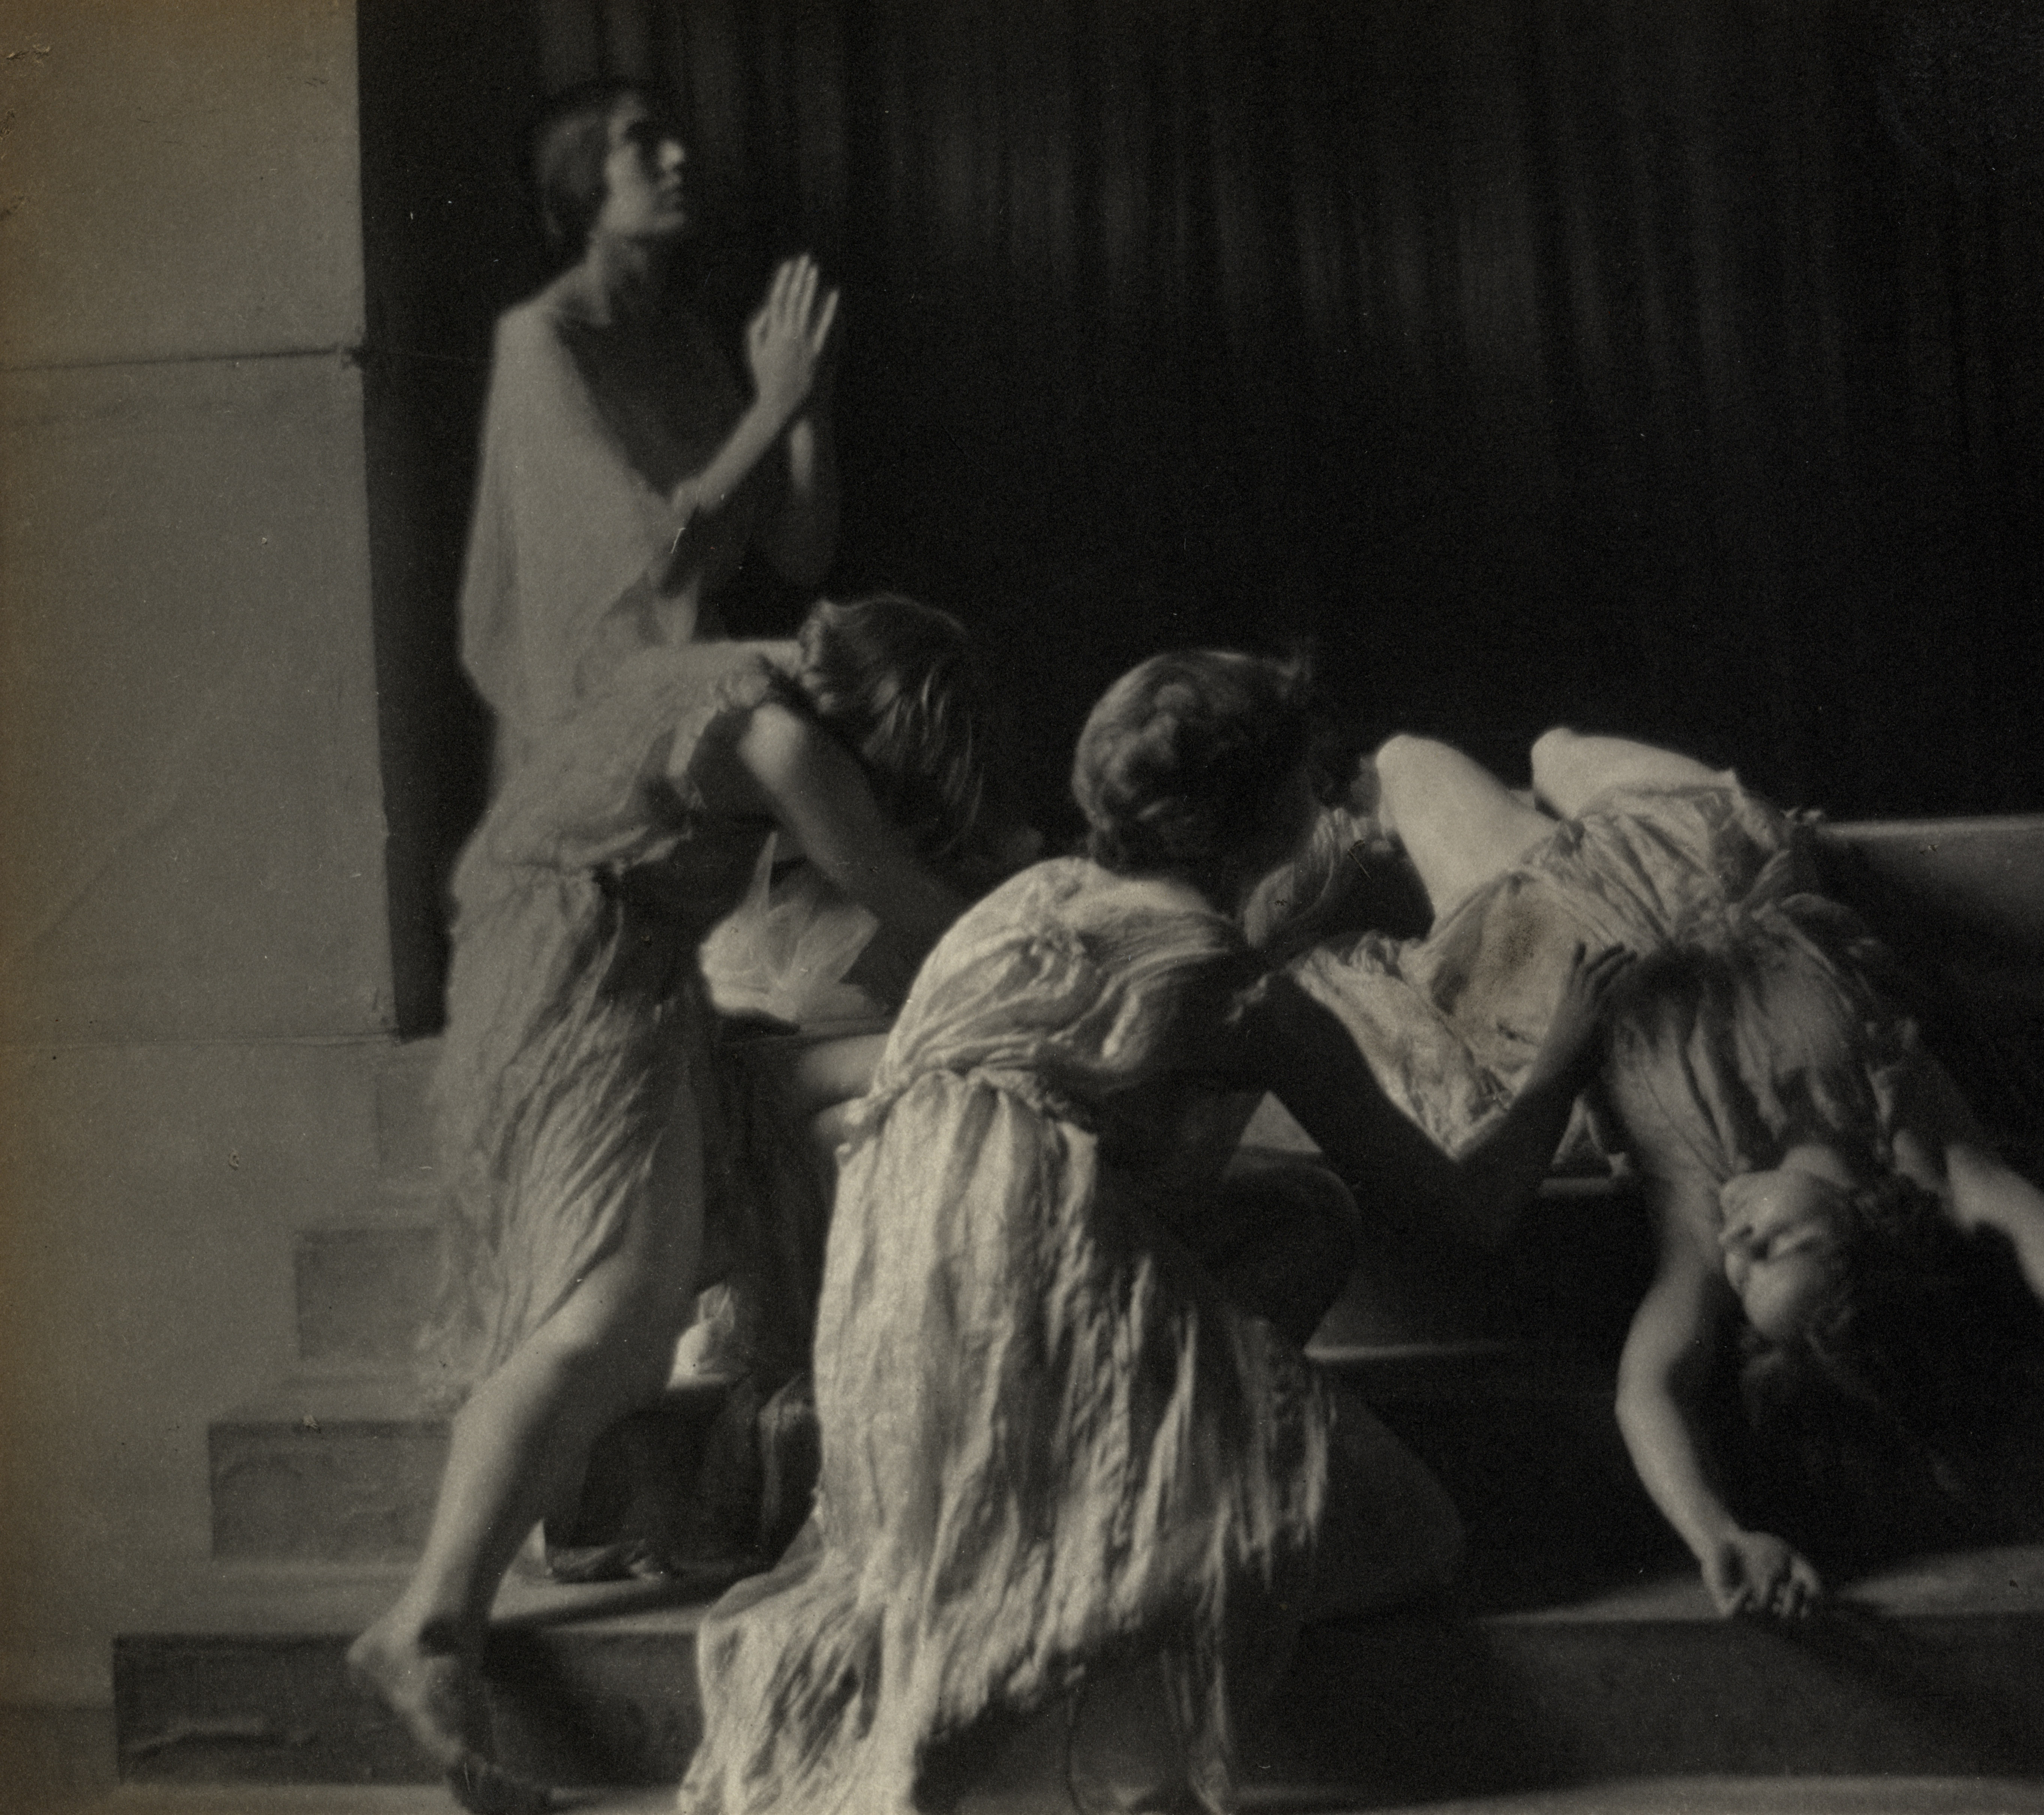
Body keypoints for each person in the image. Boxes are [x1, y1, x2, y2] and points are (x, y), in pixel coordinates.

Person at [681, 652, 1631, 1815]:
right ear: (1277, 819)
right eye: (1309, 795)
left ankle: (1096, 1513)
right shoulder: (1235, 985)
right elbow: (1466, 1212)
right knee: (1409, 1535)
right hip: (1019, 1309)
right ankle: (1112, 1564)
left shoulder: (1010, 909)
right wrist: (1556, 1065)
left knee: (1300, 1213)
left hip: (897, 1337)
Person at [348, 597, 999, 1815]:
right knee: (612, 1318)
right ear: (874, 730)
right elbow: (911, 899)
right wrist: (1068, 928)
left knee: (702, 1225)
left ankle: (480, 1583)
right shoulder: (776, 737)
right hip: (577, 980)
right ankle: (429, 1622)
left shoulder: (723, 682)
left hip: (598, 968)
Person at [1283, 728, 2044, 1616]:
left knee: (1403, 760)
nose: (1740, 1239)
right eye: (1777, 1242)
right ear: (1862, 1217)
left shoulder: (1703, 1224)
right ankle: (1478, 807)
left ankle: (1423, 825)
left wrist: (1718, 1532)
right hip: (1706, 861)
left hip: (1549, 934)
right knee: (1555, 747)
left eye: (1741, 1268)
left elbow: (1651, 1386)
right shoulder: (1923, 1153)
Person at [462, 82, 840, 785]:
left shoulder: (685, 343)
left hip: (694, 684)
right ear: (581, 181)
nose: (679, 157)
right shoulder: (539, 342)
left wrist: (806, 406)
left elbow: (801, 553)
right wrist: (772, 407)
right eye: (640, 141)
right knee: (825, 718)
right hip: (596, 717)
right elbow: (665, 565)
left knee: (881, 681)